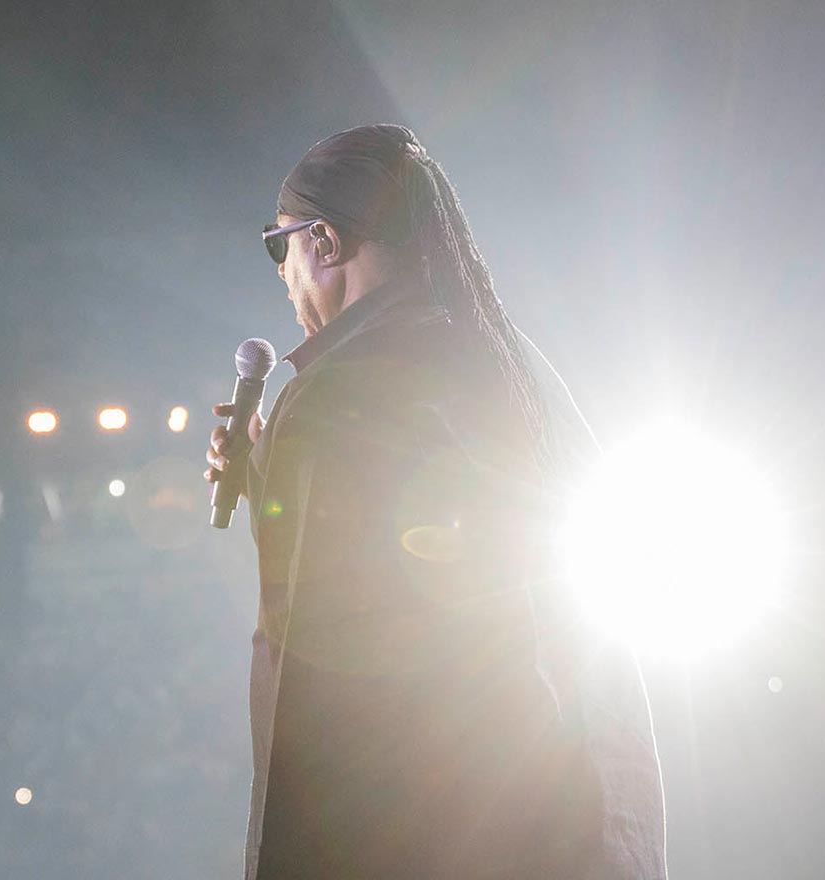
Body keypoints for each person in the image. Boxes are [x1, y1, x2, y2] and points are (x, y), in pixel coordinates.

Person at [207, 124, 667, 878]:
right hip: (551, 811)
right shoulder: (507, 357)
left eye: (278, 245)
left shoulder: (338, 391)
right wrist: (271, 474)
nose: (282, 276)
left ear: (323, 241)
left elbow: (319, 681)